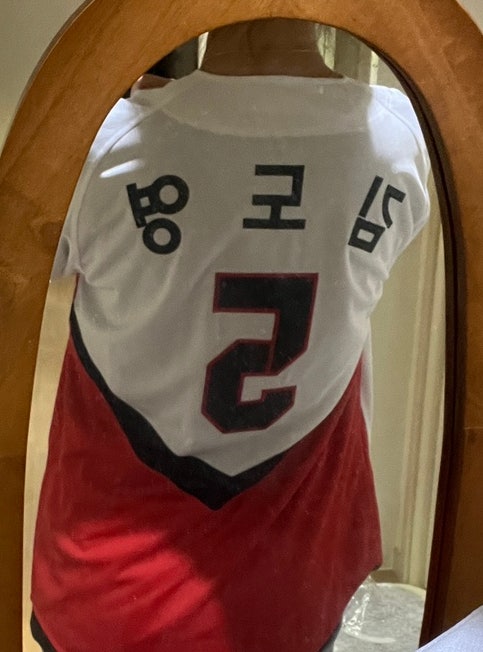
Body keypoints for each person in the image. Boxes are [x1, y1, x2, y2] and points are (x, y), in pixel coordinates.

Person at [30, 18, 430, 652]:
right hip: (292, 585)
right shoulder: (402, 138)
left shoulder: (100, 144)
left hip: (109, 586)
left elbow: (26, 276)